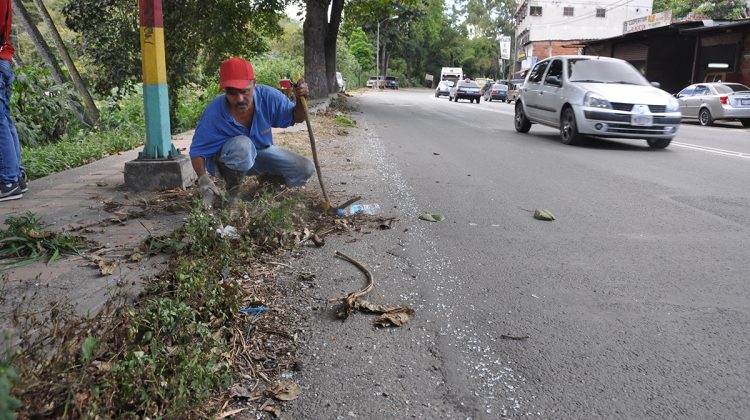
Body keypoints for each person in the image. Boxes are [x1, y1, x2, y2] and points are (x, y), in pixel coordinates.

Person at [189, 57, 314, 207]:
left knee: (305, 168)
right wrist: (203, 179)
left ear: (254, 85)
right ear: (224, 91)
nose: (240, 99)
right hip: (227, 161)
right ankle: (233, 196)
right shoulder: (215, 111)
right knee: (243, 146)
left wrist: (301, 100)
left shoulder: (268, 98)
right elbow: (197, 151)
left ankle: (268, 185)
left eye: (244, 91)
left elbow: (297, 117)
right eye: (232, 93)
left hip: (260, 153)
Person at [0, 0, 24, 202]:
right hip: (3, 58)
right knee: (5, 120)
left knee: (1, 123)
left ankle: (7, 181)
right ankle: (16, 177)